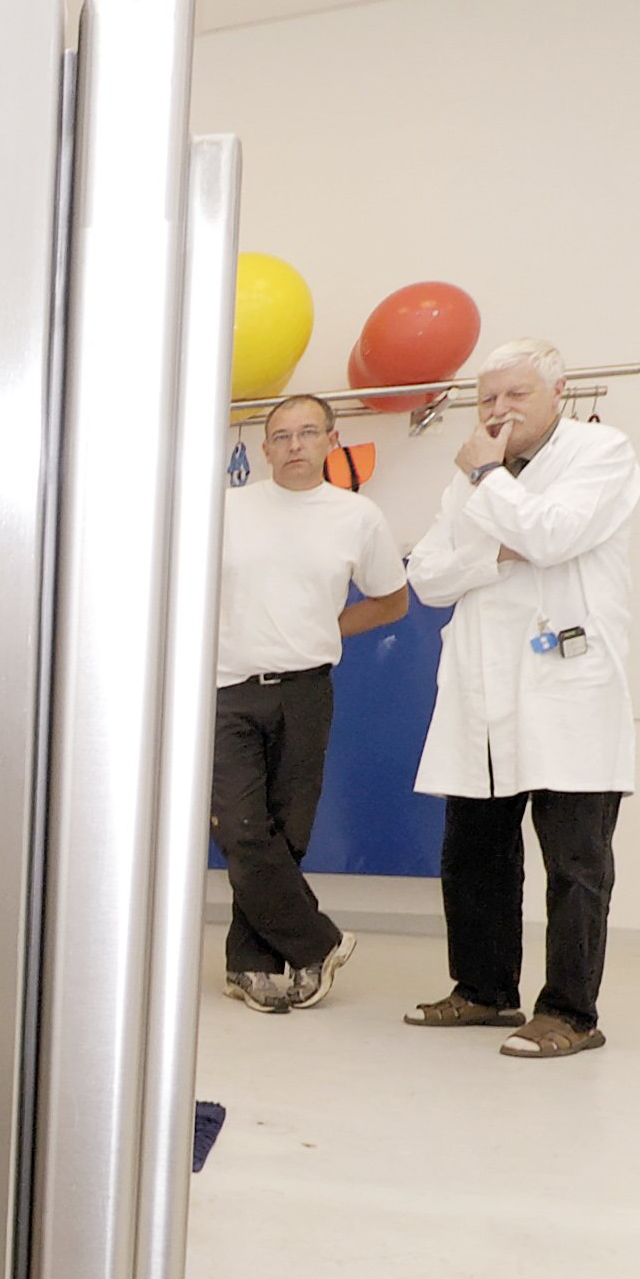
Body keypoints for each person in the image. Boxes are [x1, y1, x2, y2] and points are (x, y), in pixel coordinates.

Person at [400, 339, 640, 1060]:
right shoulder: (463, 485)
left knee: (575, 861)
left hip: (569, 688)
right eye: (487, 400)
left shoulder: (602, 455)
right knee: (472, 852)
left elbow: (554, 534)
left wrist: (486, 477)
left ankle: (571, 1011)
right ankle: (482, 990)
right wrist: (491, 550)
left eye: (516, 396)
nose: (499, 411)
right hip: (482, 687)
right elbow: (430, 577)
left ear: (558, 391)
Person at [209, 393, 410, 1012]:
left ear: (331, 440)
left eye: (307, 433)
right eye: (281, 436)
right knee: (244, 832)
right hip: (226, 691)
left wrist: (325, 628)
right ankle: (318, 943)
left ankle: (252, 966)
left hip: (306, 691)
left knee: (286, 833)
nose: (294, 445)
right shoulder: (223, 508)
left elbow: (391, 601)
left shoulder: (358, 516)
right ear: (264, 449)